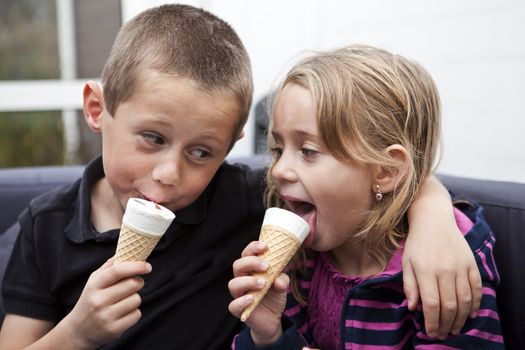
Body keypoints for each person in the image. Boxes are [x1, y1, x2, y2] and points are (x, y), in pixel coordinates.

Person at [0, 5, 480, 349]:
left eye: (201, 152)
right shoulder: (44, 227)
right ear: (97, 110)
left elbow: (367, 183)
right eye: (151, 137)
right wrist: (78, 333)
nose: (169, 174)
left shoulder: (243, 198)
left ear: (229, 151)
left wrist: (434, 218)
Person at [229, 45, 503, 349]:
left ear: (385, 170)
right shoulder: (299, 260)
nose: (279, 170)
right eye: (278, 150)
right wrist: (268, 336)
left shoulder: (442, 267)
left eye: (308, 151)